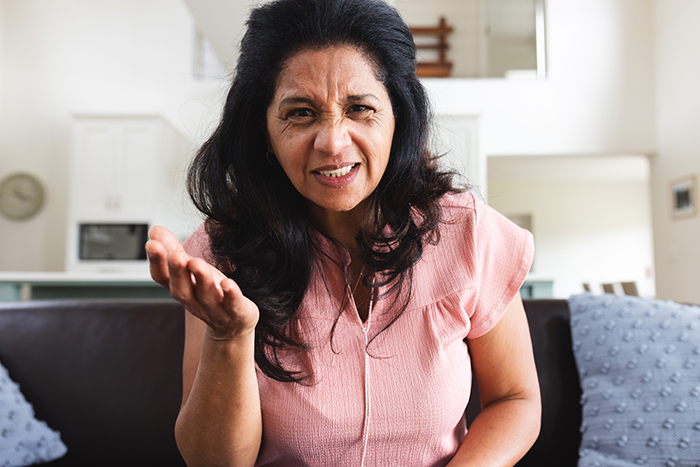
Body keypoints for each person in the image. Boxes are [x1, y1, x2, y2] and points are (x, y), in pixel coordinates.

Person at [146, 0, 541, 465]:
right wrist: (229, 337)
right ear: (264, 132)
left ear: (398, 118)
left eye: (359, 108)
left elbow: (515, 399)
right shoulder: (220, 255)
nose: (332, 142)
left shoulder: (469, 233)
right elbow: (215, 462)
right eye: (300, 113)